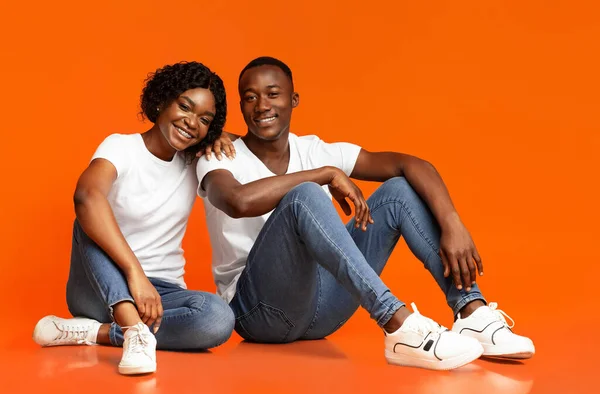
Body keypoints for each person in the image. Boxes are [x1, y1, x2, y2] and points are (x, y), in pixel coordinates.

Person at [195, 56, 535, 371]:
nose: (262, 106)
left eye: (273, 94)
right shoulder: (218, 155)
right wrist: (324, 174)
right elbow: (237, 202)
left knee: (399, 191)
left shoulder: (314, 149)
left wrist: (452, 222)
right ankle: (399, 326)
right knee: (304, 195)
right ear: (240, 105)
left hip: (322, 310)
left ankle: (471, 311)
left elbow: (410, 164)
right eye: (250, 97)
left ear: (294, 99)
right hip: (259, 313)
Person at [33, 61, 236, 375]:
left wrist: (223, 135)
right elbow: (86, 196)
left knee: (217, 317)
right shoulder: (122, 147)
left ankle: (94, 332)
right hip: (100, 286)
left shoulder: (194, 161)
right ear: (161, 100)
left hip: (162, 293)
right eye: (185, 107)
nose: (191, 122)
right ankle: (133, 330)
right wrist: (135, 275)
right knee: (88, 214)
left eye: (204, 119)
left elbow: (254, 146)